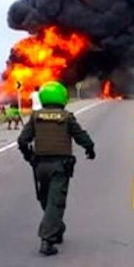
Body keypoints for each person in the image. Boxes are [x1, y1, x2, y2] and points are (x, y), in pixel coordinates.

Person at [17, 81, 95, 256]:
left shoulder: (36, 117)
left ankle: (56, 228)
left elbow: (22, 140)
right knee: (55, 202)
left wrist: (28, 156)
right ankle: (47, 240)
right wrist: (90, 149)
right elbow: (80, 136)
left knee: (45, 199)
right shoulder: (66, 117)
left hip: (40, 166)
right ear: (62, 98)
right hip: (59, 166)